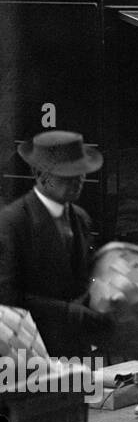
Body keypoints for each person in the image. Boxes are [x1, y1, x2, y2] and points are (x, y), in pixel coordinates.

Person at [0, 131, 115, 358]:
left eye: (80, 172)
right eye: (67, 174)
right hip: (33, 353)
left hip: (78, 349)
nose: (79, 180)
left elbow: (84, 277)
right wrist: (70, 313)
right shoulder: (13, 223)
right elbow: (7, 298)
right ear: (39, 174)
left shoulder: (80, 218)